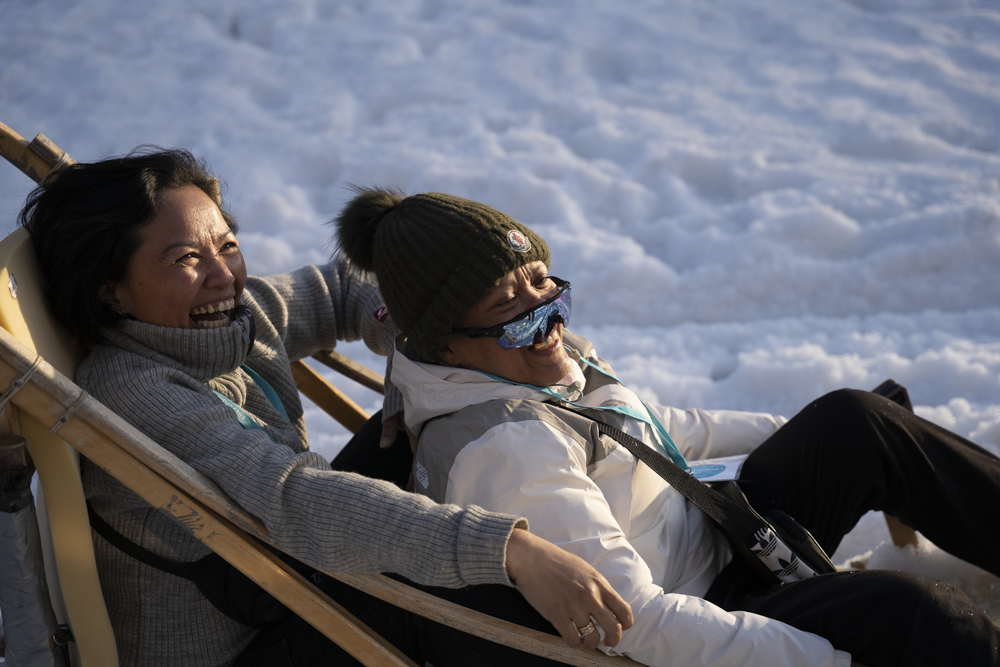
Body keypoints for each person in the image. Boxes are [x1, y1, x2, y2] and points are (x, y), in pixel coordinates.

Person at [333, 186, 1000, 667]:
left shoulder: (522, 366)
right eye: (511, 306)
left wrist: (797, 433)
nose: (547, 317)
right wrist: (829, 657)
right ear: (446, 344)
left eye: (545, 285)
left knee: (857, 422)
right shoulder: (506, 448)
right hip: (704, 617)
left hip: (715, 536)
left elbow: (651, 431)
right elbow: (639, 625)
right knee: (921, 618)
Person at [17, 149, 634, 667]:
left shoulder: (228, 317)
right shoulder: (135, 393)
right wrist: (509, 551)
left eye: (227, 245)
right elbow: (296, 496)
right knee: (492, 599)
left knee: (445, 425)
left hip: (288, 575)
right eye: (185, 259)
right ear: (109, 289)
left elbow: (348, 289)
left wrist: (439, 345)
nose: (222, 276)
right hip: (250, 644)